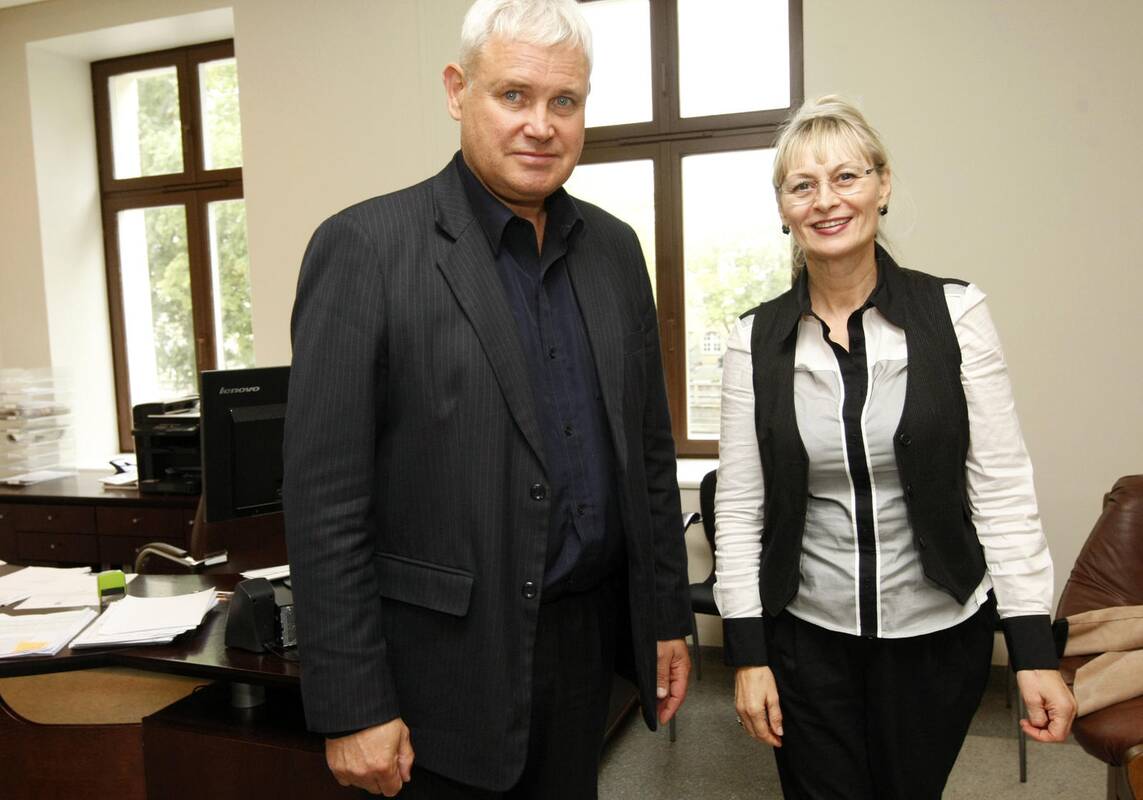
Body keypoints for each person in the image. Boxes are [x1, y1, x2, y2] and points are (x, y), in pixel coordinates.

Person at [281, 1, 691, 797]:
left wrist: (664, 616)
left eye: (564, 101)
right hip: (441, 668)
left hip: (586, 646)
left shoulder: (613, 250)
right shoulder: (367, 248)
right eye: (513, 95)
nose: (540, 125)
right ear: (456, 90)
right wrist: (352, 702)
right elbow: (325, 501)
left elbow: (647, 453)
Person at [713, 95, 1076, 799]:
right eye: (802, 185)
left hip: (938, 639)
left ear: (882, 185)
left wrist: (1031, 650)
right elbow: (738, 508)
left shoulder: (955, 313)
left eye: (846, 177)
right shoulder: (752, 340)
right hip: (805, 641)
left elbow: (1001, 487)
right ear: (783, 207)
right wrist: (748, 653)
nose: (826, 200)